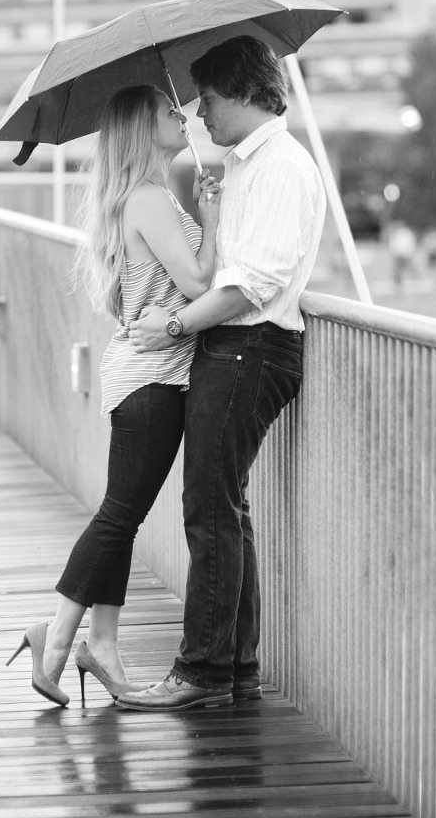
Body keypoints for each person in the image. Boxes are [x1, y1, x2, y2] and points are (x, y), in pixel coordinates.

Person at [117, 35, 325, 712]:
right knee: (224, 510)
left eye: (207, 99)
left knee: (209, 508)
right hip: (237, 349)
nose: (199, 114)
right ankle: (233, 667)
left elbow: (250, 286)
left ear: (240, 92)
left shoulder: (280, 168)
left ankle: (201, 670)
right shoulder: (248, 166)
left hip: (249, 347)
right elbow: (223, 267)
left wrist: (172, 326)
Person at [7, 85, 220, 706]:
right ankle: (56, 644)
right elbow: (200, 279)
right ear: (140, 127)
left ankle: (97, 642)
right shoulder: (150, 199)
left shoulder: (140, 197)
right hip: (153, 378)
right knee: (118, 516)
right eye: (168, 111)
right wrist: (211, 218)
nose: (181, 117)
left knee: (121, 517)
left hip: (145, 375)